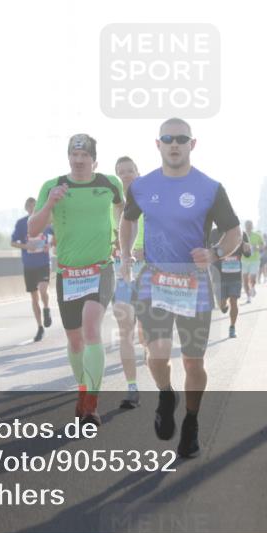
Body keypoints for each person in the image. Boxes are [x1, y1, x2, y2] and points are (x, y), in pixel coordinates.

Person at [119, 118, 241, 458]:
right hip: (155, 279)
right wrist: (127, 253)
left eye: (181, 139)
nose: (175, 144)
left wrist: (215, 253)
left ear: (192, 144)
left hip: (194, 282)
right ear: (157, 144)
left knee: (192, 362)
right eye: (168, 139)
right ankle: (165, 393)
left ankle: (191, 422)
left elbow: (234, 232)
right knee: (156, 354)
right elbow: (127, 220)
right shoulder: (141, 187)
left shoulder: (210, 187)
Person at [28, 134, 123, 426]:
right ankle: (83, 388)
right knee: (74, 340)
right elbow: (33, 229)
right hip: (69, 274)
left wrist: (118, 236)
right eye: (74, 155)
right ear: (68, 157)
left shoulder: (109, 183)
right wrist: (50, 204)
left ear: (95, 160)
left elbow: (122, 208)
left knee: (92, 327)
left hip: (100, 269)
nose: (79, 160)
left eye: (85, 156)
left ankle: (90, 403)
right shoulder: (52, 186)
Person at [111, 156, 146, 409]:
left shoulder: (149, 200)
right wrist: (117, 250)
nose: (125, 175)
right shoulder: (113, 206)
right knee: (126, 329)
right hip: (122, 271)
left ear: (138, 172)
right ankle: (132, 387)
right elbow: (111, 236)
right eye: (121, 172)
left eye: (130, 171)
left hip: (149, 270)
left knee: (146, 331)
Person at [11, 197, 53, 342]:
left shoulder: (45, 221)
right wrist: (26, 246)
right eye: (29, 206)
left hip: (43, 262)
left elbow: (57, 236)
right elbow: (13, 242)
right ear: (26, 208)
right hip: (29, 264)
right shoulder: (21, 223)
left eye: (34, 206)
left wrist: (50, 245)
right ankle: (40, 327)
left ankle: (47, 308)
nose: (32, 208)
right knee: (34, 297)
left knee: (43, 290)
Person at [210, 226, 251, 338]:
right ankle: (223, 305)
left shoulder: (241, 233)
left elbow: (247, 253)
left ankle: (232, 327)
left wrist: (247, 249)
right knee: (222, 304)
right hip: (219, 276)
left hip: (235, 275)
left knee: (234, 301)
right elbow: (207, 252)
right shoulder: (213, 233)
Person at [241, 220, 263, 303]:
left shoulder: (257, 235)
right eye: (247, 225)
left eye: (250, 225)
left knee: (253, 278)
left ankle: (253, 287)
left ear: (252, 226)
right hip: (244, 260)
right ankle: (248, 296)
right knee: (245, 280)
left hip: (254, 260)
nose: (249, 227)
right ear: (245, 226)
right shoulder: (241, 236)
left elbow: (262, 246)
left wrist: (256, 247)